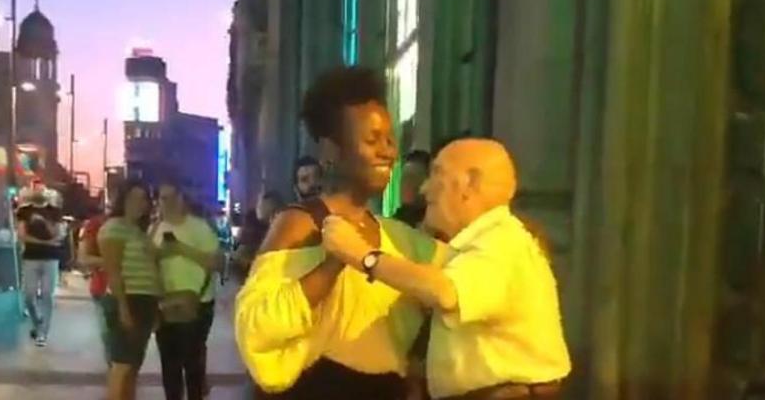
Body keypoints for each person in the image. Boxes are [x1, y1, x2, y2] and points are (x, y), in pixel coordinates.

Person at [235, 66, 441, 399]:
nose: (387, 151)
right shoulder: (301, 223)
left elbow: (455, 281)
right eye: (372, 140)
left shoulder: (399, 236)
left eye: (390, 140)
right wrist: (335, 262)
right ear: (331, 151)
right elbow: (256, 327)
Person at [322, 139, 571, 400]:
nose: (424, 188)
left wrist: (363, 256)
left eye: (437, 173)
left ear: (469, 185)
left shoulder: (501, 243)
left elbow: (445, 292)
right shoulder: (478, 244)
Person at [153, 182, 221, 400]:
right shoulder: (155, 228)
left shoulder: (199, 228)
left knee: (193, 365)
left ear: (183, 198)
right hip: (165, 304)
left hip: (198, 304)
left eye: (172, 197)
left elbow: (217, 263)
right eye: (162, 198)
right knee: (169, 366)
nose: (167, 203)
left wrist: (180, 249)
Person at [98, 181, 161, 400]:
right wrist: (123, 308)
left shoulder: (138, 231)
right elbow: (113, 271)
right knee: (122, 365)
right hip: (127, 299)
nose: (140, 204)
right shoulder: (114, 227)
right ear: (123, 200)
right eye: (134, 198)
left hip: (144, 301)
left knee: (133, 366)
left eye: (144, 199)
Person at [16, 191, 63, 347]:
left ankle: (43, 333)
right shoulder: (24, 211)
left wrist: (42, 240)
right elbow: (22, 235)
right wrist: (46, 242)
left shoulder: (54, 212)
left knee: (47, 294)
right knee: (29, 294)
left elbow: (58, 234)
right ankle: (38, 321)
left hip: (50, 258)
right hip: (31, 257)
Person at [78, 205, 113, 366]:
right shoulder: (97, 224)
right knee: (110, 338)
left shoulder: (143, 225)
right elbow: (84, 257)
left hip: (136, 289)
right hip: (104, 289)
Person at [392, 150, 431, 228]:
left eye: (412, 178)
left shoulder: (433, 224)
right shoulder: (392, 224)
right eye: (404, 179)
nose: (405, 185)